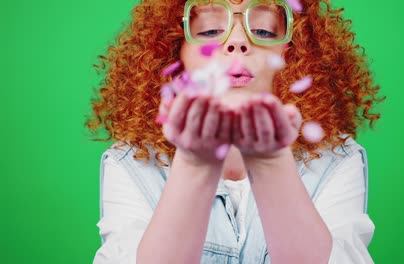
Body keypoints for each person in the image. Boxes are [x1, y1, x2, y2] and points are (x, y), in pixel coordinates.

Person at [87, 0, 384, 263]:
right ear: (174, 46)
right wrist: (194, 164)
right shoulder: (131, 164)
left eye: (265, 31)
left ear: (290, 49)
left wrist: (270, 161)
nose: (238, 41)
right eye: (210, 30)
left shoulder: (335, 160)